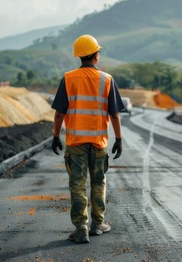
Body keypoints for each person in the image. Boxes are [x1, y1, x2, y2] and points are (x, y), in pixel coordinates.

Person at [51, 34, 125, 244]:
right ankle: (98, 223)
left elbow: (59, 114)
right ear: (95, 55)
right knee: (98, 183)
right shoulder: (107, 80)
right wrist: (118, 139)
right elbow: (115, 115)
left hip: (75, 143)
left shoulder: (68, 78)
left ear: (80, 56)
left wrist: (56, 136)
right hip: (99, 142)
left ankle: (80, 227)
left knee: (77, 184)